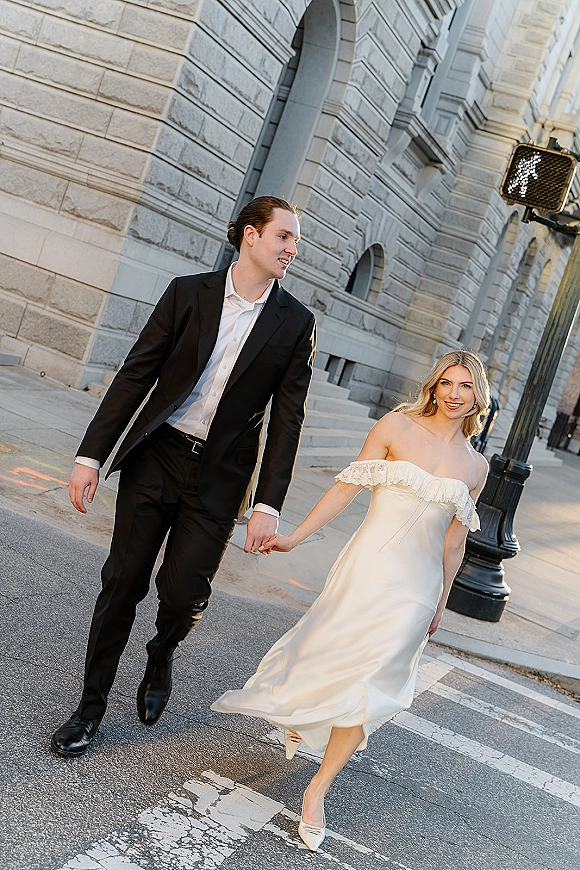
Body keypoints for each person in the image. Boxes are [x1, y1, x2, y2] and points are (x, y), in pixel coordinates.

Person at [50, 196, 316, 758]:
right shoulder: (187, 293)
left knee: (183, 593)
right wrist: (90, 455)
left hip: (220, 477)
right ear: (249, 235)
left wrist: (267, 504)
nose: (292, 249)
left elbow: (287, 421)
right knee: (123, 583)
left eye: (295, 240)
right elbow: (136, 375)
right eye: (284, 237)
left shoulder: (295, 323)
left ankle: (161, 654)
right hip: (158, 456)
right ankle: (89, 708)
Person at [212, 350, 490, 851]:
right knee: (327, 653)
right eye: (447, 382)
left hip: (418, 587)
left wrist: (441, 600)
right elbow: (345, 489)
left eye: (465, 386)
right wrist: (295, 537)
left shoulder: (476, 466)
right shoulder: (396, 428)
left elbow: (454, 541)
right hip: (367, 569)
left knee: (377, 679)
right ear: (434, 385)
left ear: (477, 395)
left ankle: (318, 788)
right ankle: (302, 717)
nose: (454, 393)